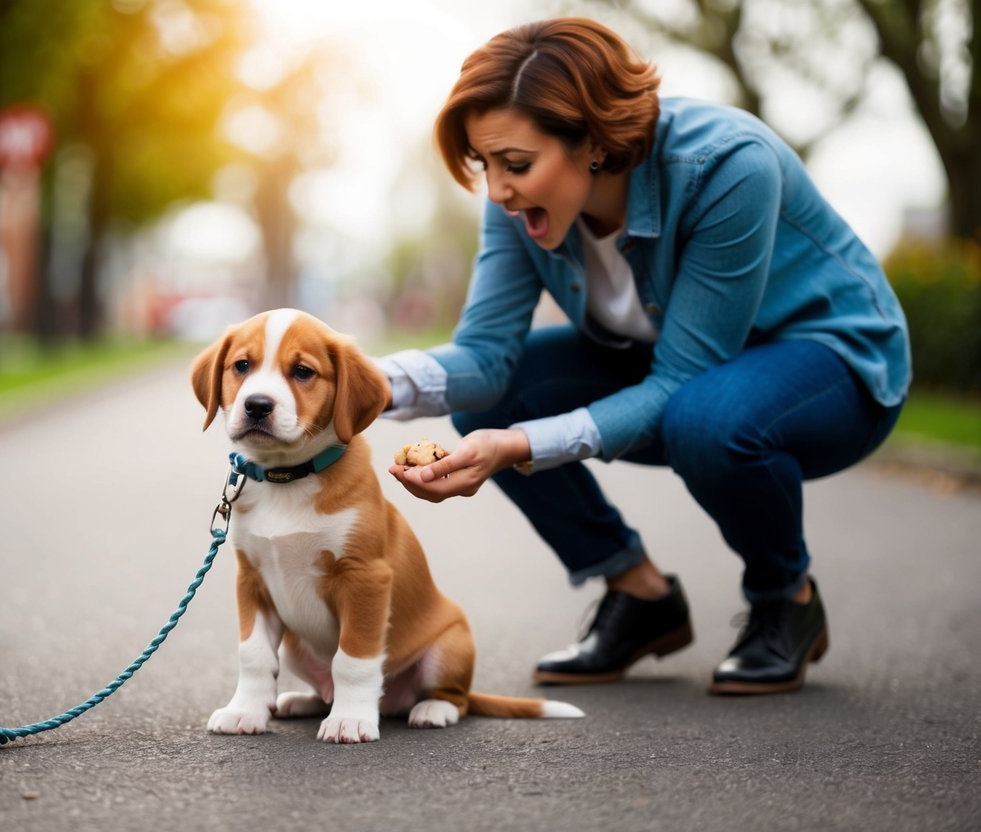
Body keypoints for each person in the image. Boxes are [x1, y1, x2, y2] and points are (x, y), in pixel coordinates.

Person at [378, 17, 910, 695]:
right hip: (679, 371)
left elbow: (683, 379)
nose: (498, 191)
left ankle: (787, 599)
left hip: (833, 366)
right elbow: (483, 358)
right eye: (487, 166)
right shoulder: (517, 202)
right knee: (494, 398)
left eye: (515, 165)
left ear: (593, 142)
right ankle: (640, 594)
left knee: (705, 417)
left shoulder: (725, 165)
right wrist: (365, 382)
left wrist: (516, 448)